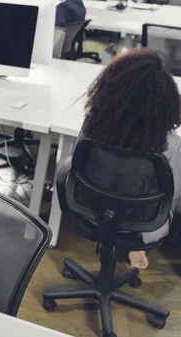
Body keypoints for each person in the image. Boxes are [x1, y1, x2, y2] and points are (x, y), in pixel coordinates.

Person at [79, 48, 181, 270]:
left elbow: (77, 167)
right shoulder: (171, 145)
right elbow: (173, 196)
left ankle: (130, 243)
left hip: (89, 212)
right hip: (145, 222)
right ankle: (138, 245)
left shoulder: (92, 127)